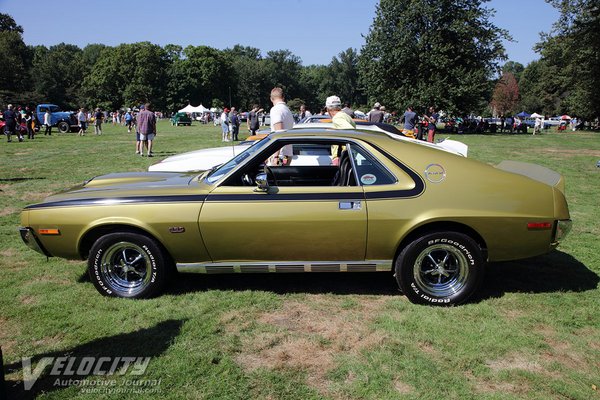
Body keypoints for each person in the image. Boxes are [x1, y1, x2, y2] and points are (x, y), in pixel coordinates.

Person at [326, 96, 356, 166]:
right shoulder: (345, 116)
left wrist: (343, 153)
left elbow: (351, 133)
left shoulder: (337, 118)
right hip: (348, 157)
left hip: (343, 158)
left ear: (328, 109)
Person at [269, 87, 294, 166]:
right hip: (287, 153)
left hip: (280, 155)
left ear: (271, 99)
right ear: (283, 97)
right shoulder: (287, 110)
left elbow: (279, 134)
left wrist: (275, 156)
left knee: (276, 178)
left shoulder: (276, 109)